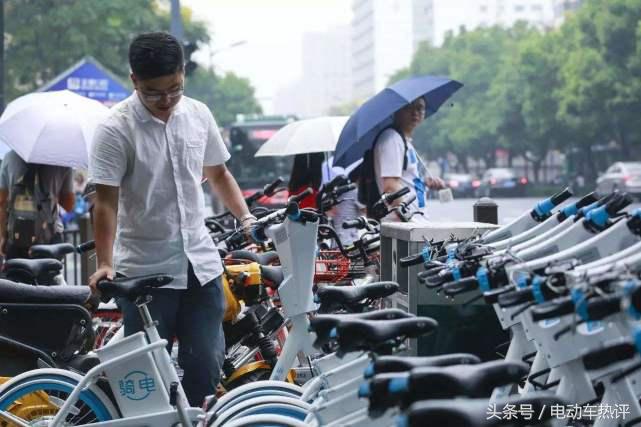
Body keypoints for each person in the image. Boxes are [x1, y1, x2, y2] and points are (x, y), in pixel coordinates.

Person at [88, 32, 256, 407]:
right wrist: (104, 263)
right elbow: (105, 203)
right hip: (147, 273)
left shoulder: (198, 114)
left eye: (174, 89)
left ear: (183, 73)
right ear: (134, 80)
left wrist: (245, 218)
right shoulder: (115, 130)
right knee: (146, 380)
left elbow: (219, 174)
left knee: (206, 368)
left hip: (201, 267)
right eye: (153, 92)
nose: (165, 101)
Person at [373, 96, 446, 221]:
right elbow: (390, 186)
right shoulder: (392, 139)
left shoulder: (403, 140)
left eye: (420, 108)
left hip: (414, 224)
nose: (415, 113)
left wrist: (425, 183)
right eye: (409, 107)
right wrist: (409, 220)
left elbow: (405, 180)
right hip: (405, 227)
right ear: (397, 110)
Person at [0, 150, 74, 259]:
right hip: (49, 240)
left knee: (16, 274)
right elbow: (68, 206)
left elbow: (2, 202)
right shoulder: (62, 160)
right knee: (49, 274)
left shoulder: (10, 157)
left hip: (16, 239)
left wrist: (3, 237)